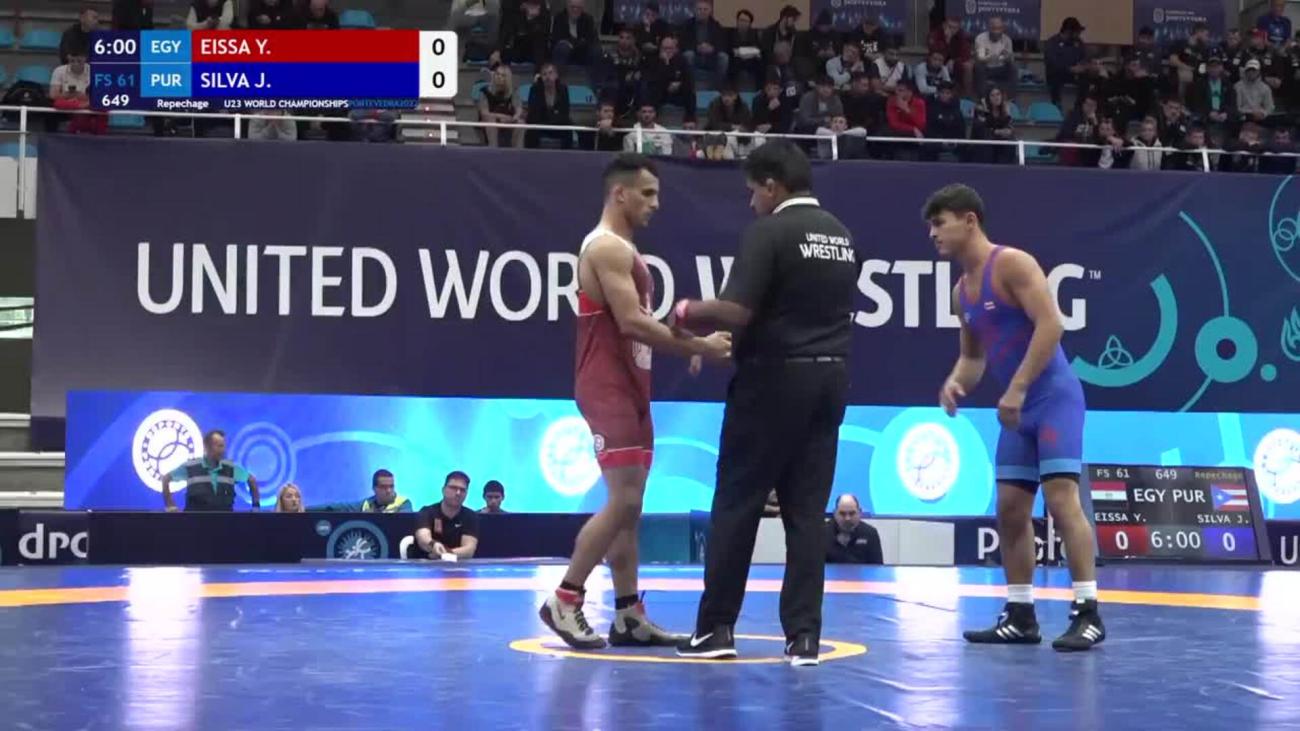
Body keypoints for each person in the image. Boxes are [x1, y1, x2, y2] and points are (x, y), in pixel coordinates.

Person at [671, 140, 860, 666]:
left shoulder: (769, 231)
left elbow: (737, 310)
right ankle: (804, 637)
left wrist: (686, 311)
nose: (751, 201)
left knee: (738, 503)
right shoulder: (842, 236)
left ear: (773, 186)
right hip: (831, 379)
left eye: (753, 191)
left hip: (774, 381)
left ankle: (715, 629)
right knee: (807, 513)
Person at [538, 154, 732, 650]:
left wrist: (683, 339)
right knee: (623, 500)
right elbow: (629, 322)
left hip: (630, 385)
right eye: (647, 194)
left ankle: (627, 614)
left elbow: (637, 321)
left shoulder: (623, 250)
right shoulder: (605, 247)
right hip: (606, 386)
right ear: (618, 194)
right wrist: (698, 345)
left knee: (630, 506)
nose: (656, 204)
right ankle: (565, 598)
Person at [924, 184, 1104, 652]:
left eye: (939, 223)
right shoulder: (961, 292)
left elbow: (1052, 324)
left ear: (969, 220)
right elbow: (973, 357)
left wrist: (1019, 387)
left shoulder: (1012, 264)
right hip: (1017, 411)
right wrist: (955, 382)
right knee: (1009, 510)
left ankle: (1088, 612)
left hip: (1053, 400)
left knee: (1062, 501)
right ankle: (1020, 614)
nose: (933, 234)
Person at [162, 430, 259, 512]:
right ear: (207, 447)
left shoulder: (230, 468)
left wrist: (256, 507)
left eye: (223, 446)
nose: (222, 450)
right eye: (219, 446)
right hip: (194, 523)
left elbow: (251, 480)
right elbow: (166, 479)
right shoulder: (191, 466)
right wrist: (170, 506)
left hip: (225, 523)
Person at [415, 471, 479, 558]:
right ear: (443, 490)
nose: (458, 493)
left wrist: (444, 554)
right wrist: (433, 544)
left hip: (458, 565)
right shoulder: (427, 512)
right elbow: (423, 539)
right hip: (427, 563)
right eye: (453, 488)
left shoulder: (470, 516)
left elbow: (469, 550)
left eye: (462, 490)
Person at [825, 495, 882, 564]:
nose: (847, 518)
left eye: (852, 513)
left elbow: (877, 567)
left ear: (859, 512)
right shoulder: (822, 533)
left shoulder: (870, 533)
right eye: (842, 514)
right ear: (835, 513)